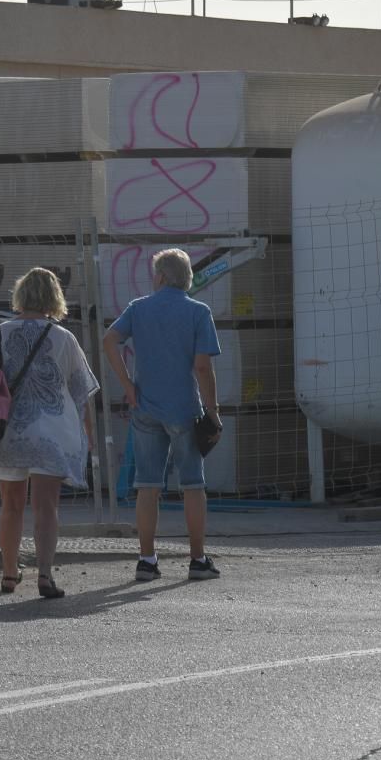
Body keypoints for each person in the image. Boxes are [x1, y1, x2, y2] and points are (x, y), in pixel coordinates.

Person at [0, 267, 99, 598]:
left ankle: (9, 575)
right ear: (54, 298)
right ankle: (44, 575)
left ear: (20, 296)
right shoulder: (64, 339)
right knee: (46, 507)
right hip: (52, 434)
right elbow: (81, 392)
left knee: (10, 506)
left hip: (9, 432)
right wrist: (89, 436)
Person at [103, 249, 223, 581]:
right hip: (185, 408)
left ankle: (147, 560)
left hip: (145, 407)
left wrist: (128, 386)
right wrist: (212, 411)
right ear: (187, 278)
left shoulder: (138, 308)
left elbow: (109, 340)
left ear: (159, 277)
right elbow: (202, 366)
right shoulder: (199, 312)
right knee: (193, 486)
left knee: (148, 486)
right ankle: (198, 560)